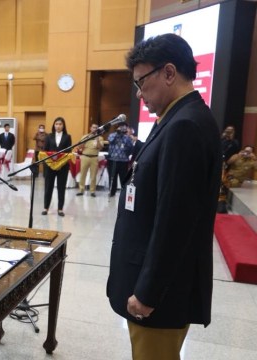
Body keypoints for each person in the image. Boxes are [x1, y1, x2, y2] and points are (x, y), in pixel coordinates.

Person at [107, 33, 222, 360]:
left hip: (158, 297)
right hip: (152, 287)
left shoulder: (185, 126)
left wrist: (147, 293)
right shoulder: (174, 119)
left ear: (169, 73)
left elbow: (176, 222)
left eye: (142, 83)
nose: (140, 95)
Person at [41, 117, 72, 217]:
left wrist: (61, 160)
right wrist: (48, 164)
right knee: (48, 187)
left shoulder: (67, 137)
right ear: (54, 125)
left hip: (63, 167)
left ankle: (60, 208)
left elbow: (69, 152)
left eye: (60, 124)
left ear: (63, 126)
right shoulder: (49, 136)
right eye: (56, 124)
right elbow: (44, 151)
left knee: (61, 187)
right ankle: (46, 207)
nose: (58, 126)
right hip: (50, 166)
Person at [76, 123, 103, 197]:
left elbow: (100, 147)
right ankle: (81, 190)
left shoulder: (100, 138)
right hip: (85, 157)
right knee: (82, 174)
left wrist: (97, 140)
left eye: (96, 127)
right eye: (93, 127)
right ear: (90, 128)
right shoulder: (85, 136)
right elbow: (79, 146)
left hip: (94, 158)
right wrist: (85, 140)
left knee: (93, 175)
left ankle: (92, 191)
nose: (95, 129)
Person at [107, 122, 133, 197]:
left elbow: (130, 147)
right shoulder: (112, 135)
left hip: (123, 161)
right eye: (121, 127)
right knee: (112, 177)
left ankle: (124, 193)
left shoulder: (127, 137)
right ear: (118, 127)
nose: (123, 128)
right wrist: (117, 134)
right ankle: (112, 192)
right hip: (113, 160)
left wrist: (127, 153)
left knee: (124, 178)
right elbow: (111, 140)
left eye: (124, 127)